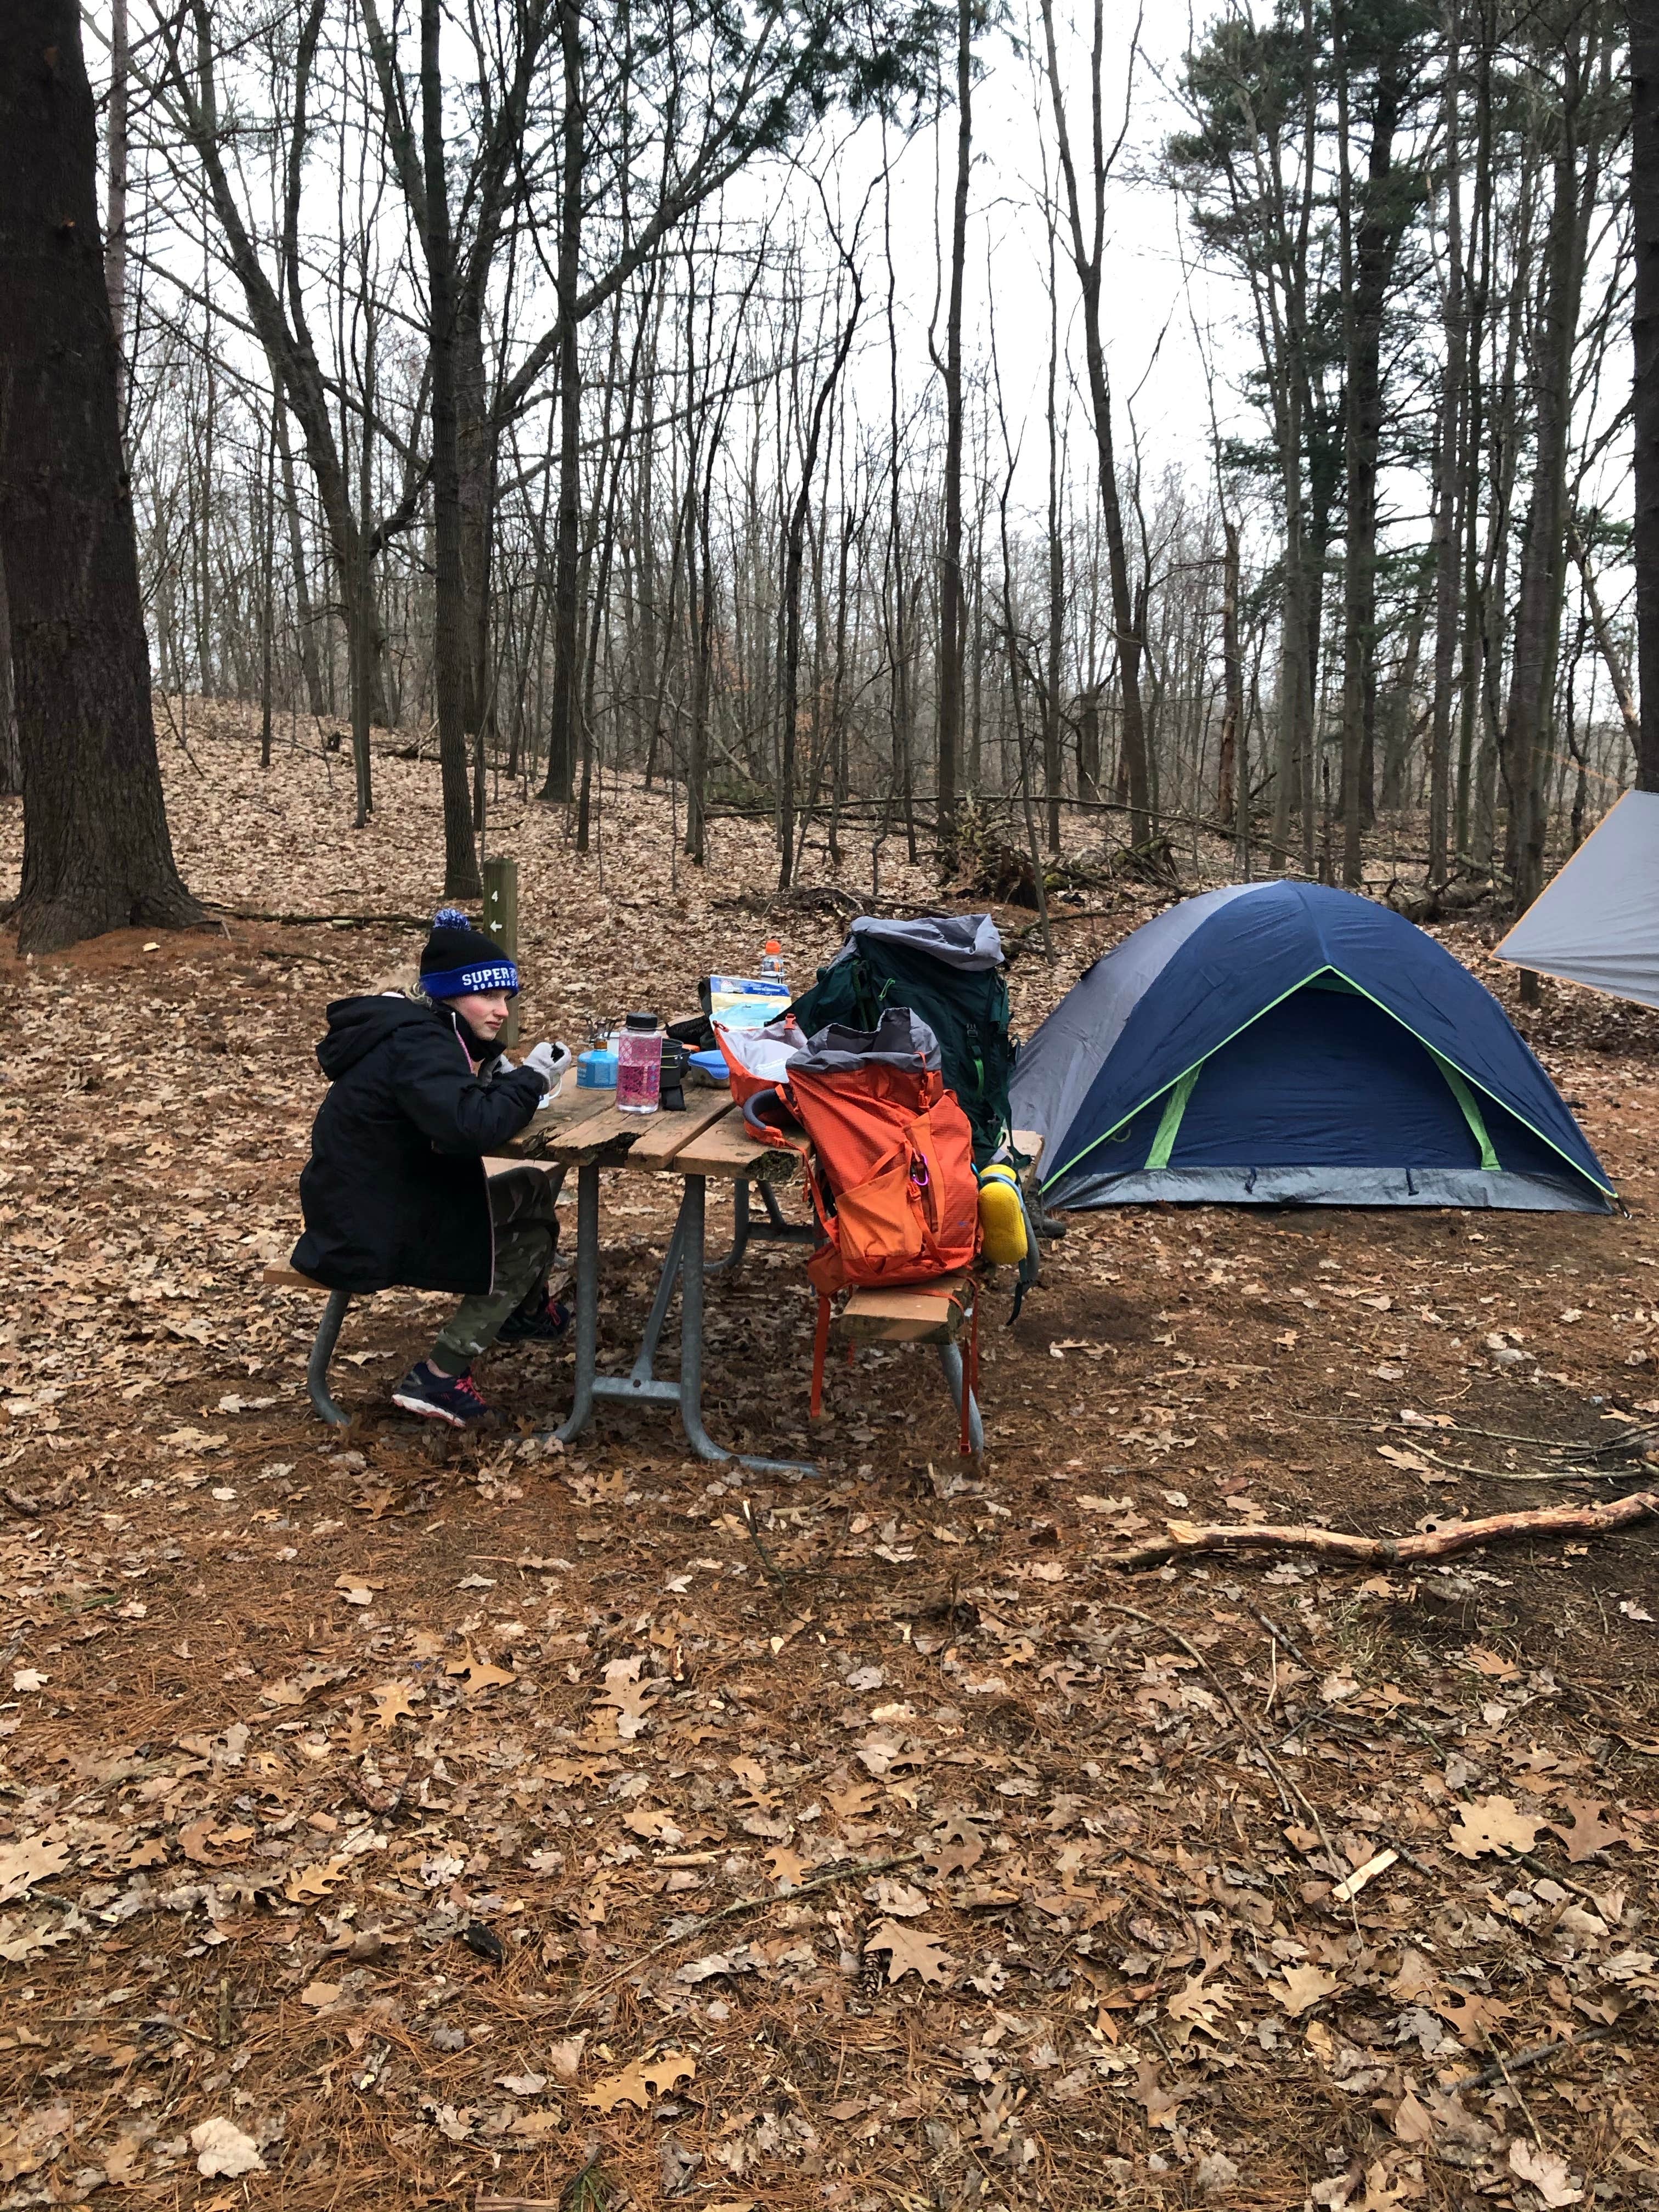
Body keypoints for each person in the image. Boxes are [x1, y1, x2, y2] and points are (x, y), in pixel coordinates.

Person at [291, 906, 571, 1427]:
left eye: (506, 999)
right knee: (526, 1240)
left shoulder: (420, 1031)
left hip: (378, 1197)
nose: (501, 1012)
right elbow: (471, 1127)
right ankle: (440, 1378)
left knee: (533, 1187)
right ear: (447, 995)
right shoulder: (419, 1042)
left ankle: (523, 1314)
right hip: (371, 1223)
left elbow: (451, 1107)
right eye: (488, 997)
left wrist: (494, 1069)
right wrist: (530, 1079)